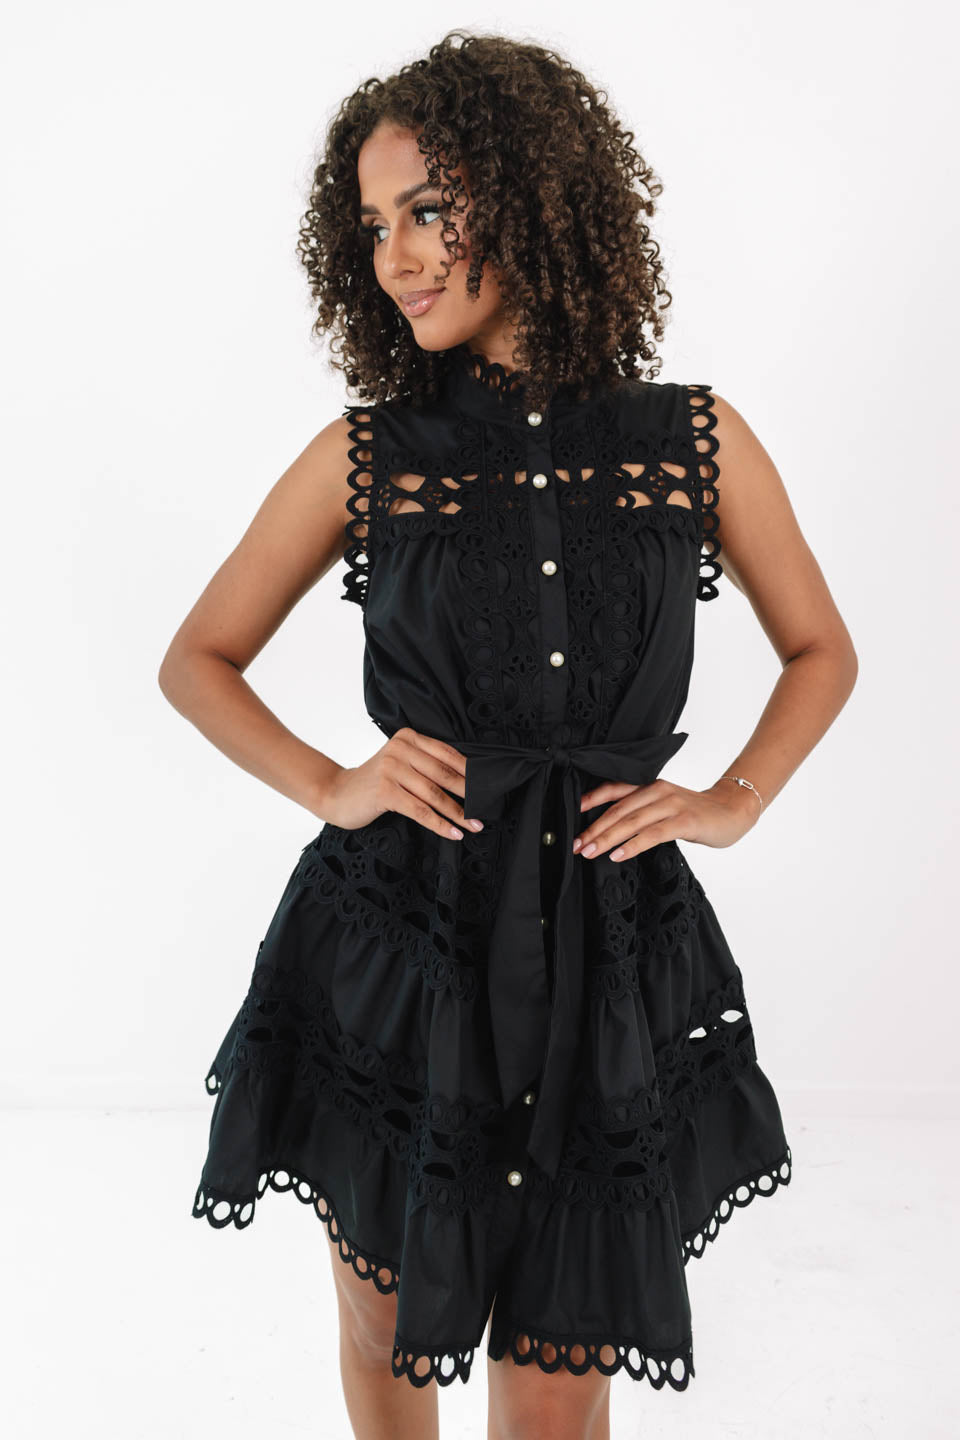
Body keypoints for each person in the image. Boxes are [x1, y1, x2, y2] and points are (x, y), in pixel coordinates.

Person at [158, 29, 858, 1440]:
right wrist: (335, 783)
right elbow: (199, 659)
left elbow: (821, 650)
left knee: (559, 1367)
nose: (396, 257)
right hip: (398, 941)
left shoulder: (692, 440)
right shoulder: (370, 457)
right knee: (385, 1319)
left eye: (428, 209)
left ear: (533, 195)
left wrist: (733, 798)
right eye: (373, 226)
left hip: (609, 944)